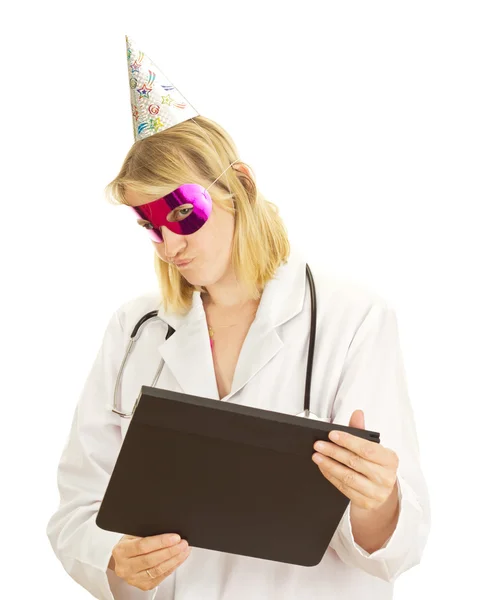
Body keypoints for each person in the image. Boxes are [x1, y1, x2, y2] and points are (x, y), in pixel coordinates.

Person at [46, 36, 430, 600]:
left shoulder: (353, 318)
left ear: (240, 187)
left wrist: (377, 498)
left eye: (181, 211)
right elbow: (79, 506)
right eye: (148, 225)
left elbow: (391, 547)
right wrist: (115, 557)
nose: (168, 243)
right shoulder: (135, 330)